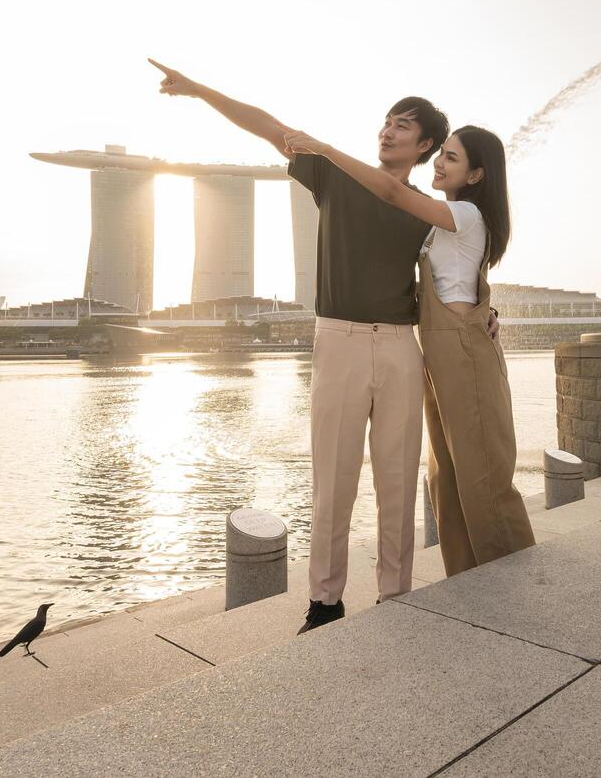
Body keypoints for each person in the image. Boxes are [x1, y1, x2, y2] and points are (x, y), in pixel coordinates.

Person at [148, 58, 495, 634]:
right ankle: (325, 601)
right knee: (332, 477)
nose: (388, 130)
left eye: (403, 126)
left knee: (397, 478)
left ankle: (395, 595)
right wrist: (197, 88)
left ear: (426, 145)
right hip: (338, 340)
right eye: (386, 121)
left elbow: (457, 273)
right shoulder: (333, 175)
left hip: (402, 349)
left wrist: (489, 313)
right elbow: (265, 124)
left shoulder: (427, 213)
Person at [283, 124, 536, 577]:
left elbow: (394, 195)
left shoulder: (465, 215)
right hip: (436, 354)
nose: (439, 162)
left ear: (476, 175)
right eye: (441, 153)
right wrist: (486, 306)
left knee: (482, 474)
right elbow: (453, 277)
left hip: (460, 349)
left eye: (452, 158)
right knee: (446, 477)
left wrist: (324, 148)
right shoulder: (446, 218)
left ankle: (513, 578)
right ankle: (467, 579)